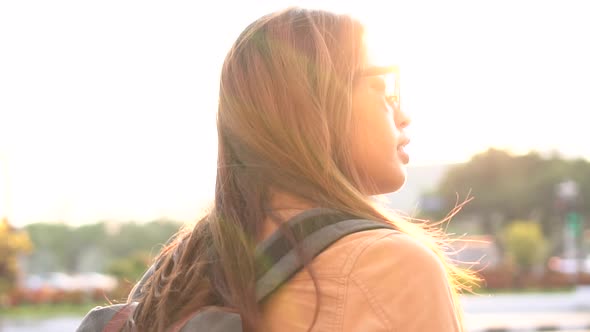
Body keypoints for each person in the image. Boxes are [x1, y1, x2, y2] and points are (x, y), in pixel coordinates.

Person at [90, 7, 477, 332]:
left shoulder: (182, 267)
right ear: (316, 105)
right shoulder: (389, 265)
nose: (403, 115)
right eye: (383, 90)